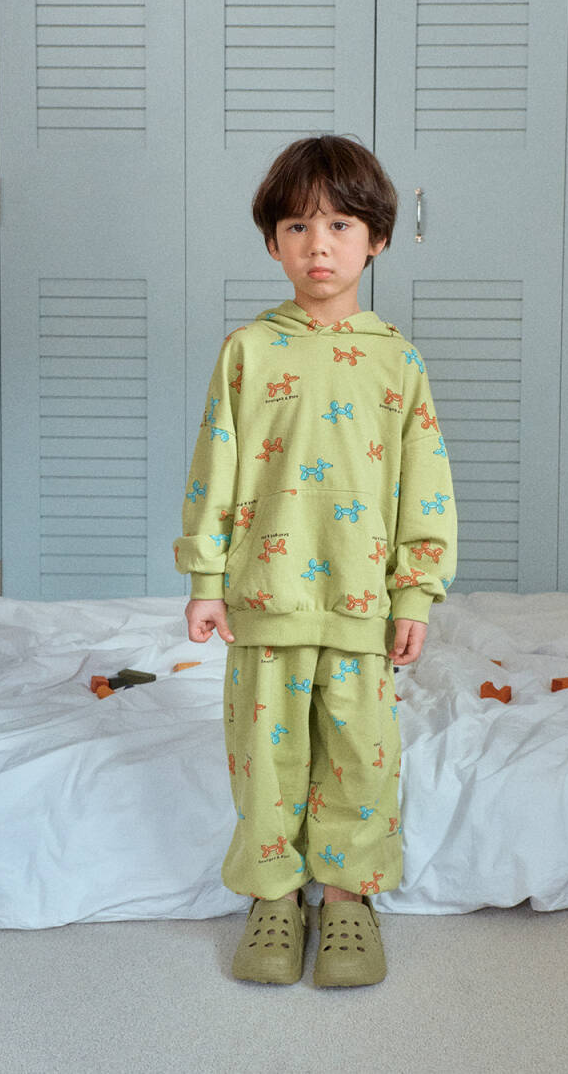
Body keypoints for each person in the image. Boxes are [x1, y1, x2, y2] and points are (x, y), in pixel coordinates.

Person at [174, 135, 456, 986]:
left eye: (339, 225)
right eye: (297, 226)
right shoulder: (248, 351)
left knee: (361, 753)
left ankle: (346, 898)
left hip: (362, 603)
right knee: (266, 757)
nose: (318, 245)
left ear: (377, 239)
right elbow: (215, 465)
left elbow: (425, 485)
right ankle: (272, 896)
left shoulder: (398, 360)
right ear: (273, 244)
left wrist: (415, 594)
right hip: (266, 600)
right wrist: (207, 580)